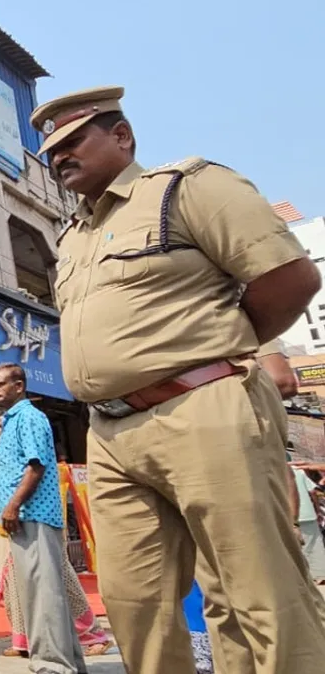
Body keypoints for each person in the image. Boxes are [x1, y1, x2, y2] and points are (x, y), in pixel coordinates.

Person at [33, 85, 325, 674]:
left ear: (122, 136)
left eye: (73, 140)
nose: (60, 156)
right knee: (136, 606)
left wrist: (219, 353)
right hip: (111, 433)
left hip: (202, 408)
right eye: (51, 150)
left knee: (256, 593)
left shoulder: (186, 188)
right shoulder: (72, 237)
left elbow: (289, 279)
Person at [0, 421, 112, 659]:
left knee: (59, 575)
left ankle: (92, 633)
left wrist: (19, 508)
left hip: (36, 518)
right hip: (4, 524)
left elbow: (41, 479)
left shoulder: (31, 448)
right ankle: (23, 639)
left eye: (8, 425)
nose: (3, 430)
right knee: (12, 580)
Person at [0, 364, 86, 674]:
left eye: (0, 383)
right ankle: (67, 663)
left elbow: (37, 466)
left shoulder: (29, 417)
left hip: (34, 515)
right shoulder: (10, 421)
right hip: (24, 518)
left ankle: (51, 666)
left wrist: (13, 505)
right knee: (42, 594)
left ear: (19, 386)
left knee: (43, 595)